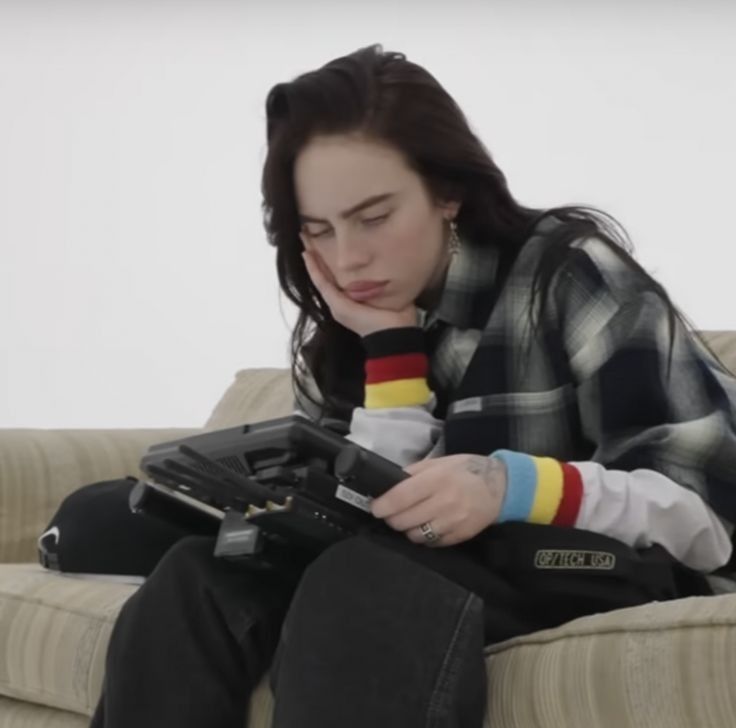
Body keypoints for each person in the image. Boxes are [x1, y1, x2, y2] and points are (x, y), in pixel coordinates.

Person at [90, 44, 736, 728]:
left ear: (448, 192)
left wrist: (507, 485)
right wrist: (388, 346)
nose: (348, 258)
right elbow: (374, 513)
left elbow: (710, 515)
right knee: (197, 577)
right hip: (436, 568)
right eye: (320, 231)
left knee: (365, 582)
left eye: (373, 218)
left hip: (593, 565)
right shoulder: (354, 319)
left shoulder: (566, 273)